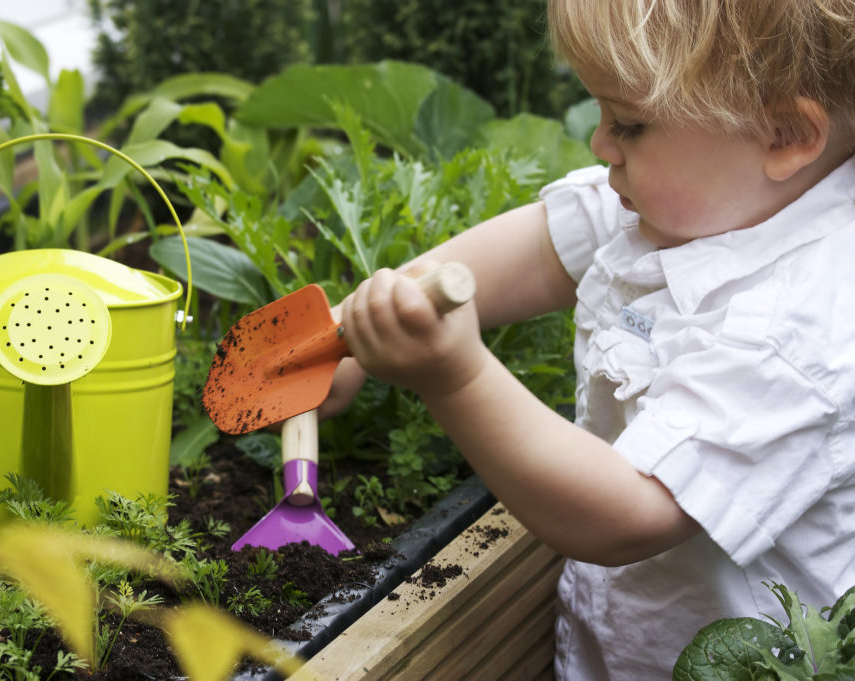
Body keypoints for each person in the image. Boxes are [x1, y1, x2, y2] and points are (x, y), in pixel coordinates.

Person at [321, 1, 855, 678]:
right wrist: (349, 328)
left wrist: (452, 376)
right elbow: (543, 250)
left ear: (785, 134)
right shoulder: (703, 196)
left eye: (629, 123)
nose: (601, 145)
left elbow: (626, 514)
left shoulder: (802, 327)